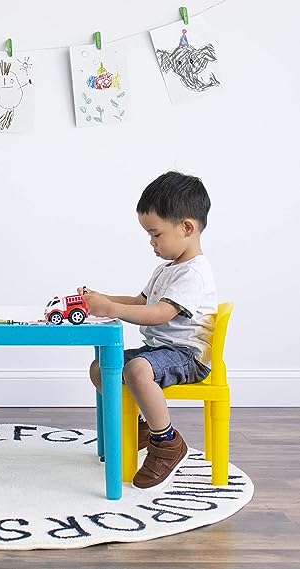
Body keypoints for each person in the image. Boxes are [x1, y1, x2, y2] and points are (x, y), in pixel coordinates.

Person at [79, 171, 217, 491]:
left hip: (187, 355)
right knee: (102, 368)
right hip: (161, 351)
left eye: (156, 234)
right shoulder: (166, 269)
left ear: (186, 227)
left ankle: (167, 441)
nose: (152, 242)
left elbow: (159, 314)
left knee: (138, 369)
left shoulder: (194, 274)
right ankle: (143, 427)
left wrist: (111, 310)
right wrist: (101, 299)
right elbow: (140, 301)